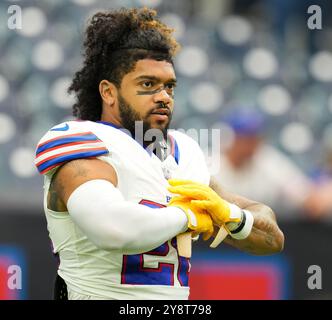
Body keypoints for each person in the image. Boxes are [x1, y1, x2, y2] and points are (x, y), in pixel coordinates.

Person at [34, 8, 284, 300]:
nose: (164, 96)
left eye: (169, 86)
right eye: (147, 84)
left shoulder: (184, 152)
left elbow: (271, 237)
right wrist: (188, 215)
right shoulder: (84, 144)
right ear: (109, 92)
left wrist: (229, 215)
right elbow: (113, 229)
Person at [213, 108, 332, 220]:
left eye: (254, 137)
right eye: (245, 138)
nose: (251, 144)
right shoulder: (209, 164)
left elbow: (310, 201)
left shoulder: (268, 162)